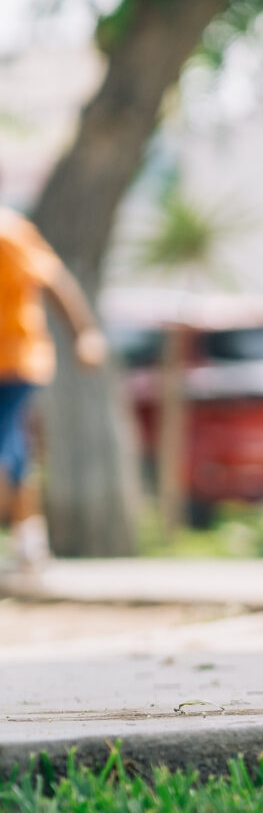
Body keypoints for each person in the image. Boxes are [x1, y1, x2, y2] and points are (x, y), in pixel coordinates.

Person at [0, 203, 108, 580]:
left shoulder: (7, 231)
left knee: (6, 447)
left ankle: (30, 542)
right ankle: (30, 543)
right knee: (13, 450)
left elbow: (54, 282)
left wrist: (85, 334)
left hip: (13, 361)